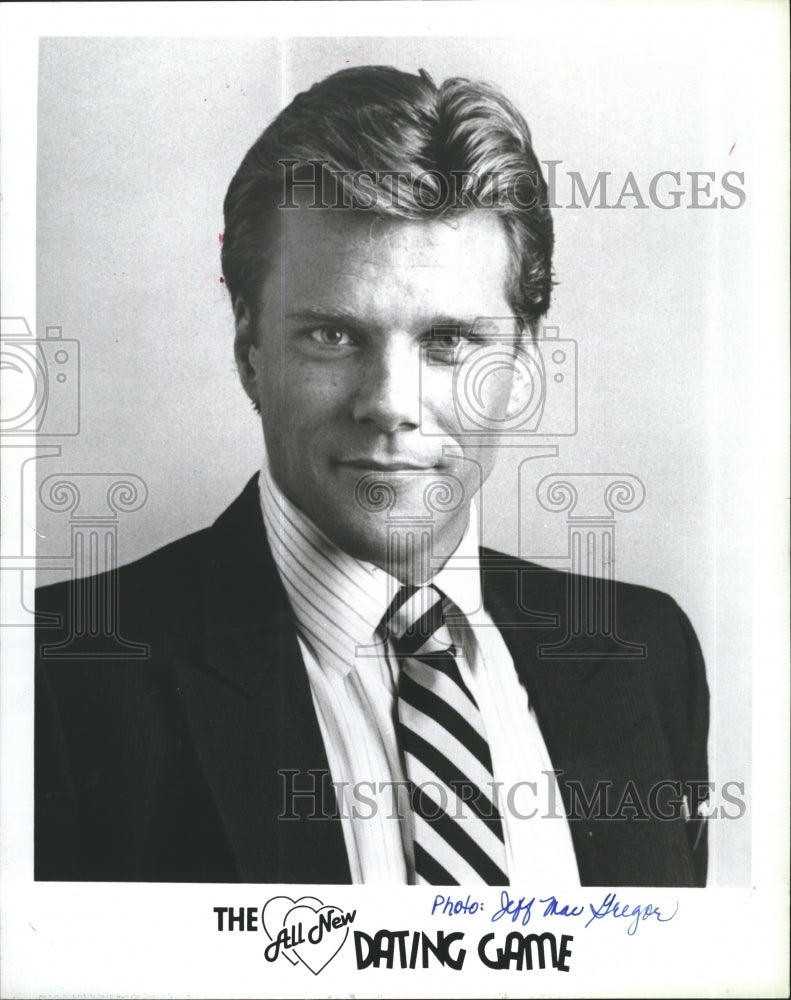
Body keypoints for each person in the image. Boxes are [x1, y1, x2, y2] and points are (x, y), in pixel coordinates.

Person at [35, 65, 709, 886]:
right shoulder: (56, 679)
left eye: (449, 342)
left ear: (523, 360)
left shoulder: (645, 652)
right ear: (250, 352)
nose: (391, 405)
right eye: (331, 336)